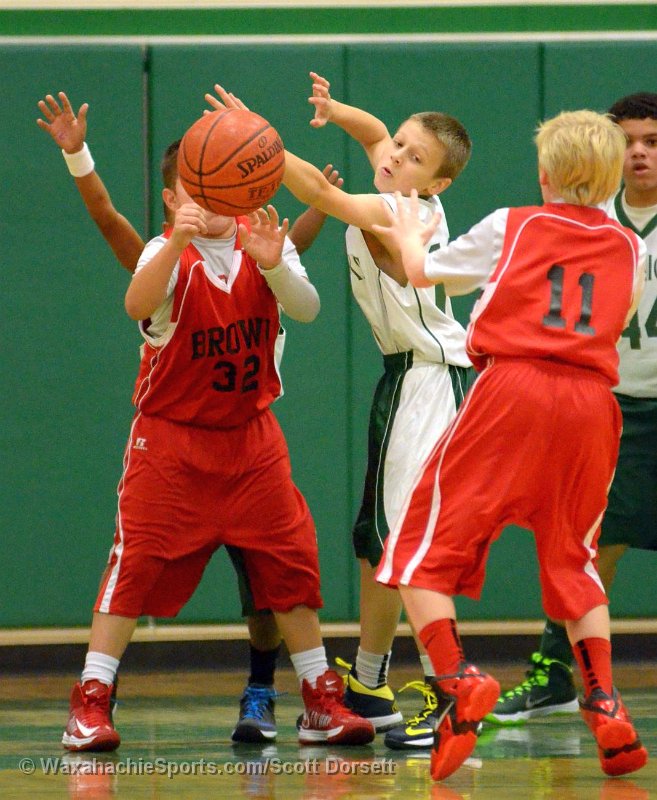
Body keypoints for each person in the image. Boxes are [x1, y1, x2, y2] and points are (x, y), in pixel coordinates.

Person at [45, 101, 372, 752]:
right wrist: (176, 240)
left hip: (252, 439)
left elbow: (307, 308)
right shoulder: (166, 254)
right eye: (199, 188)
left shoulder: (265, 242)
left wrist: (275, 263)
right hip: (171, 440)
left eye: (224, 185)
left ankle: (318, 698)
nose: (214, 200)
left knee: (291, 564)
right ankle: (92, 700)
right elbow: (136, 302)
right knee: (134, 564)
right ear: (173, 200)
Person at [370, 110, 648, 781]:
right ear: (612, 177)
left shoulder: (513, 224)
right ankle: (604, 702)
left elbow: (422, 273)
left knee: (415, 550)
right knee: (575, 560)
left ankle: (458, 676)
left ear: (544, 172)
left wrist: (407, 233)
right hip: (592, 402)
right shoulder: (630, 248)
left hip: (512, 388)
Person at [207, 75, 474, 748]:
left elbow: (321, 196)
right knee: (376, 540)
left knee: (403, 543)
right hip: (407, 379)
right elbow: (376, 132)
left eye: (414, 157)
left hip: (429, 380)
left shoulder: (398, 208)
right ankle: (370, 682)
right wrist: (338, 112)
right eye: (401, 145)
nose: (395, 156)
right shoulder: (395, 175)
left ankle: (447, 691)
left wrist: (261, 142)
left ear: (435, 184)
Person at [485, 92, 657, 727]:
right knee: (589, 545)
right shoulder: (582, 219)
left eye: (653, 142)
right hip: (612, 402)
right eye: (628, 140)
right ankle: (557, 672)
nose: (639, 153)